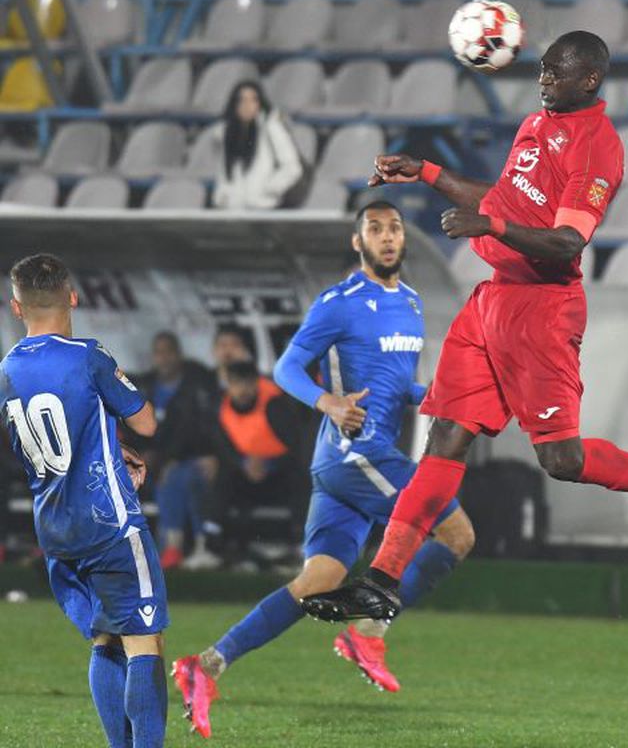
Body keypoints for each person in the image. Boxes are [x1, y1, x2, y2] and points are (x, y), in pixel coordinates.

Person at [301, 31, 628, 626]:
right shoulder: (536, 124)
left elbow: (567, 241)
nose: (542, 80)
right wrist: (427, 173)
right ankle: (382, 582)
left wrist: (491, 226)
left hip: (542, 312)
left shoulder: (597, 147)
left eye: (554, 72)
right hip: (491, 302)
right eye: (541, 69)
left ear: (589, 80)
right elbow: (500, 200)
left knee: (561, 460)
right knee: (445, 439)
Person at [171, 201, 476, 737]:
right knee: (456, 535)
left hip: (343, 465)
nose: (387, 236)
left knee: (319, 581)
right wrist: (328, 403)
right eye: (375, 229)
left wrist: (436, 397)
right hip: (358, 454)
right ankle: (369, 631)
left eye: (395, 227)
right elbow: (286, 367)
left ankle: (207, 665)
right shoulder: (339, 302)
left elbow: (393, 386)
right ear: (358, 243)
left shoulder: (410, 302)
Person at [0, 253, 168, 747]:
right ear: (72, 297)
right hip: (108, 522)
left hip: (54, 528)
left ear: (16, 307)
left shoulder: (6, 370)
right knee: (145, 641)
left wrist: (109, 444)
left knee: (105, 637)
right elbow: (146, 422)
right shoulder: (88, 356)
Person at [134, 331, 219, 569]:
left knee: (178, 477)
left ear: (178, 355)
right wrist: (142, 451)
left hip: (190, 457)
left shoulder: (197, 384)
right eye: (159, 353)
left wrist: (170, 458)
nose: (164, 358)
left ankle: (182, 546)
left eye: (168, 352)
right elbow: (131, 425)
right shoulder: (145, 385)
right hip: (154, 460)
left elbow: (196, 428)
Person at [209, 360, 308, 559]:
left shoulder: (274, 406)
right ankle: (212, 539)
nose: (242, 390)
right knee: (222, 475)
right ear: (228, 385)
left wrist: (268, 465)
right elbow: (223, 448)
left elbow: (297, 447)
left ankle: (300, 542)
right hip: (245, 472)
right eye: (236, 383)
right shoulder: (221, 409)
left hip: (278, 474)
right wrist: (243, 463)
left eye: (247, 383)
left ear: (256, 383)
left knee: (300, 478)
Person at [211, 81, 303, 211]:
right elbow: (223, 172)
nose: (247, 105)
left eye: (252, 100)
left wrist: (269, 190)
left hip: (263, 209)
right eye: (242, 100)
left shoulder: (271, 127)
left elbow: (292, 167)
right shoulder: (224, 132)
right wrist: (222, 197)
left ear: (259, 103)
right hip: (231, 210)